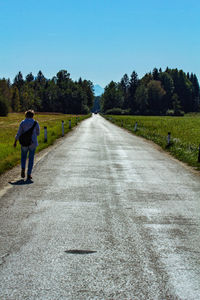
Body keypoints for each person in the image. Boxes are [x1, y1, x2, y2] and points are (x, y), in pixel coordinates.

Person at [14, 110, 40, 180]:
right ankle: (29, 174)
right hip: (33, 143)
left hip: (24, 143)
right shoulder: (35, 123)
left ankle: (23, 168)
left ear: (26, 115)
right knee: (31, 158)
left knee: (23, 157)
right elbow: (38, 133)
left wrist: (15, 141)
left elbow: (19, 133)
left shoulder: (22, 122)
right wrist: (33, 135)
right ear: (33, 115)